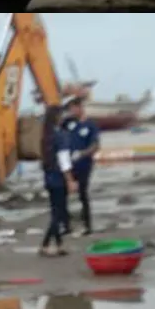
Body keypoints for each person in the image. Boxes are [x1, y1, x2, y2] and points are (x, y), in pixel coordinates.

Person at [38, 107, 72, 257]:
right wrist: (70, 179)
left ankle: (59, 244)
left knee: (55, 211)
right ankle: (45, 244)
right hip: (59, 179)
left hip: (48, 178)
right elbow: (64, 161)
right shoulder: (60, 136)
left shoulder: (45, 138)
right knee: (58, 213)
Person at [64, 96, 100, 235]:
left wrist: (82, 153)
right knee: (63, 193)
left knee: (82, 194)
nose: (72, 111)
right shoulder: (68, 123)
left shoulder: (90, 125)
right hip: (69, 165)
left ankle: (87, 225)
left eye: (74, 108)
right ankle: (66, 225)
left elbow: (95, 145)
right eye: (70, 108)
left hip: (84, 164)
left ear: (80, 108)